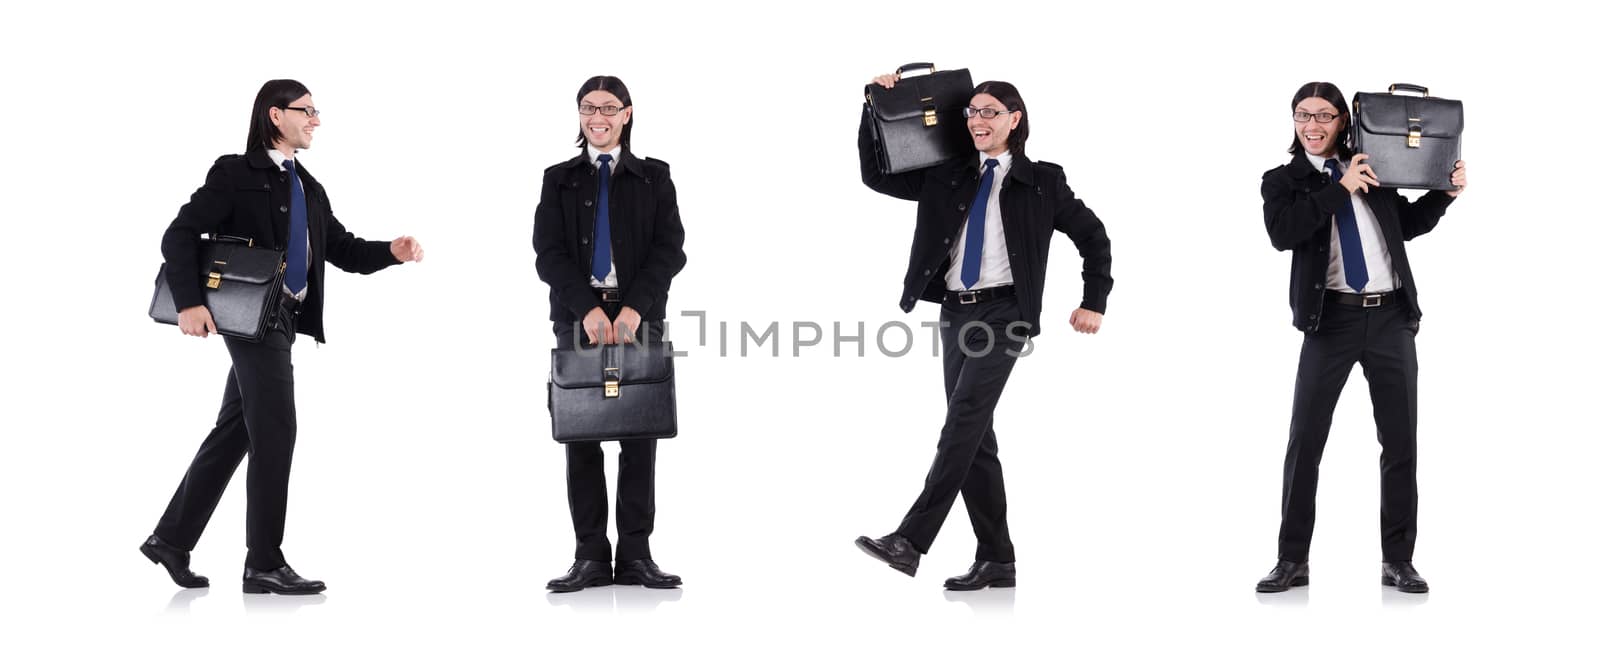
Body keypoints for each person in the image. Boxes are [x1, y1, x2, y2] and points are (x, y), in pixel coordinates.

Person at [142, 79, 424, 595]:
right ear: (276, 115)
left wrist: (392, 251)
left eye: (317, 112)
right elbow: (178, 234)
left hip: (283, 321)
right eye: (307, 111)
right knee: (277, 429)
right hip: (251, 317)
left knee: (240, 428)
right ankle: (263, 562)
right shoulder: (235, 172)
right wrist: (188, 301)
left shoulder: (308, 186)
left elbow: (342, 249)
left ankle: (171, 540)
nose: (315, 120)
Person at [853, 74, 1113, 590]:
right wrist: (871, 106)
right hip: (955, 312)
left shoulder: (1043, 181)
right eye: (971, 112)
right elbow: (876, 175)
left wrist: (1094, 301)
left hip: (1005, 313)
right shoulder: (947, 173)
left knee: (963, 421)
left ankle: (911, 538)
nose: (977, 120)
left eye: (990, 111)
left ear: (1014, 120)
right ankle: (997, 558)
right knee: (975, 436)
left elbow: (1094, 236)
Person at [1255, 82, 1467, 595]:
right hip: (1330, 322)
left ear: (1342, 123)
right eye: (1303, 115)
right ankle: (1291, 559)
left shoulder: (1376, 166)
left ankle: (1398, 559)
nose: (1312, 125)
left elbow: (1407, 226)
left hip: (1391, 317)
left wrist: (1444, 193)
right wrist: (1340, 186)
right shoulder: (1283, 181)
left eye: (1324, 116)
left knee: (1400, 442)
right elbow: (1285, 233)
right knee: (1305, 441)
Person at [533, 75, 687, 593]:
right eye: (586, 108)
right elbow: (548, 253)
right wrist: (588, 309)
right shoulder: (558, 178)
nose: (596, 117)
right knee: (581, 437)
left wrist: (635, 308)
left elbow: (671, 249)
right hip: (579, 320)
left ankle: (637, 555)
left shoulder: (654, 177)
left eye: (607, 108)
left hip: (641, 318)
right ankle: (591, 557)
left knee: (640, 436)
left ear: (627, 113)